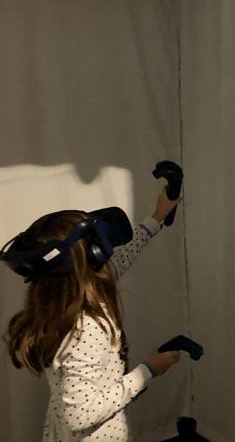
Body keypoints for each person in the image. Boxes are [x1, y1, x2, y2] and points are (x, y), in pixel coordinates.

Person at [3, 188, 184, 441]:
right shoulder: (86, 327)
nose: (107, 250)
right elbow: (80, 416)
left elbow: (124, 257)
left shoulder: (69, 298)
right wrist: (148, 370)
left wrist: (156, 217)